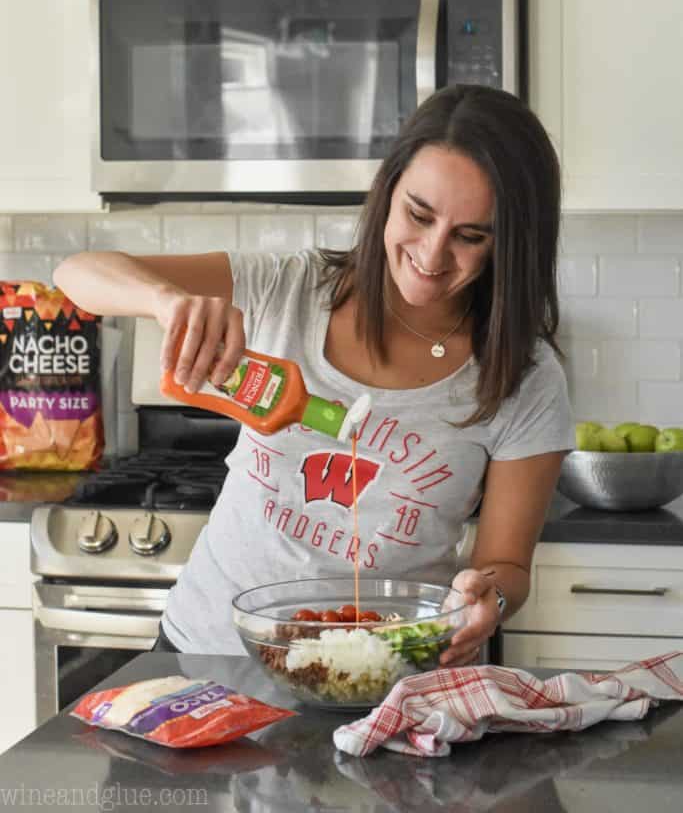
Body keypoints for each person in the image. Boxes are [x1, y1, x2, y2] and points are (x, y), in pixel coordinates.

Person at [54, 84, 574, 662]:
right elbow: (78, 274)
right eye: (418, 215)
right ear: (387, 193)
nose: (431, 255)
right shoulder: (287, 289)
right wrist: (165, 300)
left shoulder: (525, 377)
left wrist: (490, 598)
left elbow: (507, 565)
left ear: (510, 244)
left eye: (470, 236)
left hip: (388, 674)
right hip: (215, 655)